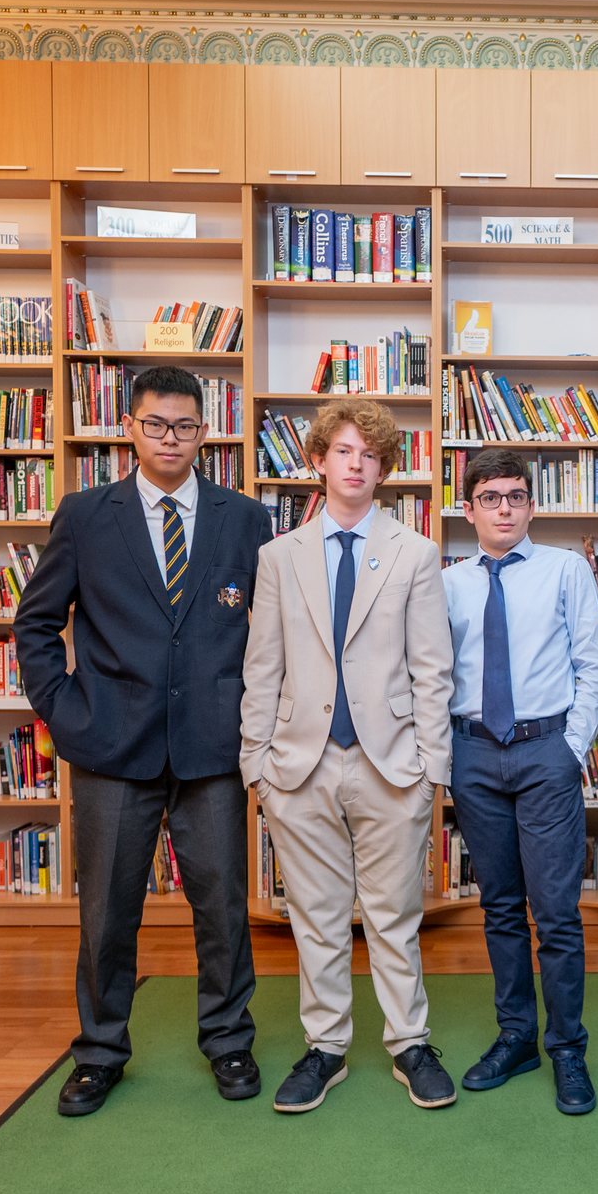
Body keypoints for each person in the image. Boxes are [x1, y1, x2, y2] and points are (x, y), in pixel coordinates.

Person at [14, 365, 273, 1116]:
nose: (170, 439)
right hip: (110, 747)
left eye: (185, 426)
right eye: (156, 424)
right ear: (129, 428)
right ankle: (99, 1053)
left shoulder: (243, 519)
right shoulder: (85, 515)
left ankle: (228, 1039)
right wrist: (64, 710)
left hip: (212, 749)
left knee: (223, 906)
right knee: (107, 912)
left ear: (205, 432)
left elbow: (270, 631)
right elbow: (36, 624)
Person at [240, 398, 456, 1113]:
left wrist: (431, 768)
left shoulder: (414, 552)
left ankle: (410, 1044)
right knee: (317, 918)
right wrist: (256, 764)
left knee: (394, 916)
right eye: (342, 451)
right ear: (318, 461)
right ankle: (325, 1047)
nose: (356, 464)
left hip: (390, 764)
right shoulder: (279, 556)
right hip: (298, 766)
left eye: (369, 454)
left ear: (385, 468)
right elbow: (262, 667)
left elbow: (433, 670)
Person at [442, 448, 598, 1115]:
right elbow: (434, 672)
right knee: (501, 908)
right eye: (490, 497)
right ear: (469, 509)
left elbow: (594, 667)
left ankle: (567, 1047)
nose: (505, 508)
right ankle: (516, 1036)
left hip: (546, 752)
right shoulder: (448, 584)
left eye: (516, 496)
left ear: (533, 505)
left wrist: (570, 750)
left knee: (557, 912)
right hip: (474, 754)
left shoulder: (566, 570)